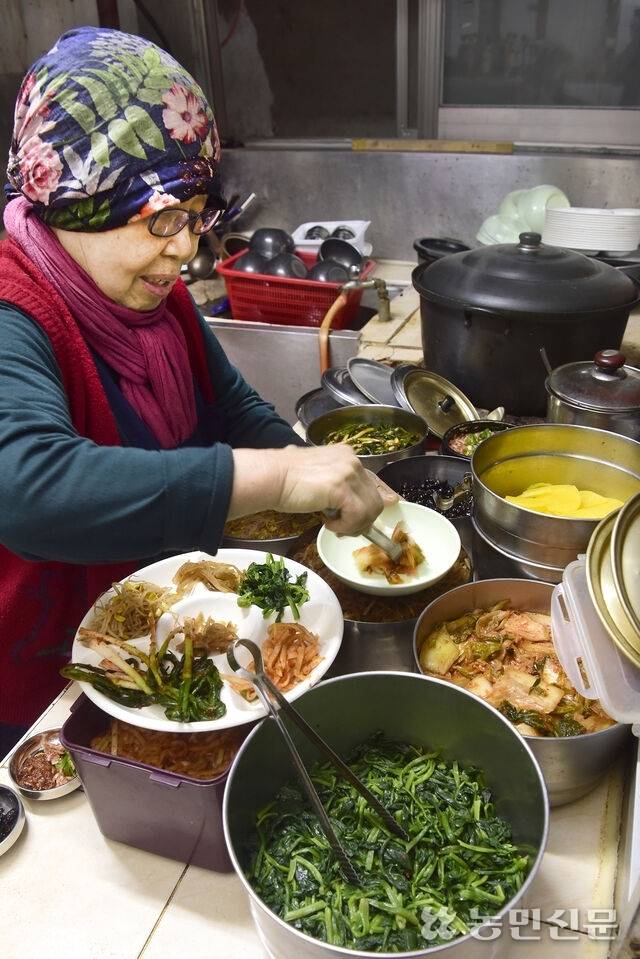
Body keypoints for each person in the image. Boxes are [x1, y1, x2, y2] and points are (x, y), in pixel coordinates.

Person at [0, 27, 393, 754]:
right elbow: (27, 488)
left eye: (195, 213)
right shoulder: (13, 309)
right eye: (162, 217)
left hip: (161, 627)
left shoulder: (152, 291)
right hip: (39, 694)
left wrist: (325, 476)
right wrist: (275, 476)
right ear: (81, 199)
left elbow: (230, 407)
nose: (186, 248)